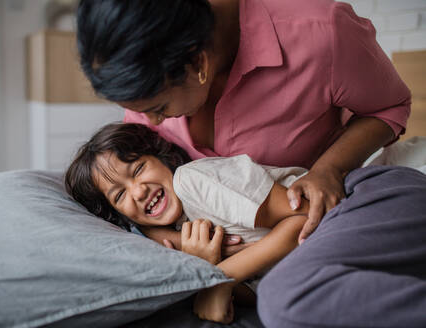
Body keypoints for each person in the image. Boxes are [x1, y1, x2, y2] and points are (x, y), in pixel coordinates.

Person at [76, 0, 411, 246]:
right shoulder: (147, 76)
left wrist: (331, 167)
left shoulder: (321, 34)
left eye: (159, 108)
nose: (148, 122)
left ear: (197, 63)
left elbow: (389, 108)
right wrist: (168, 239)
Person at [65, 123, 311, 324]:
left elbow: (305, 216)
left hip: (334, 214)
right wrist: (203, 267)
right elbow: (256, 290)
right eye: (119, 195)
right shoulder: (184, 239)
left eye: (138, 168)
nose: (138, 192)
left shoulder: (191, 181)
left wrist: (220, 279)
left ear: (161, 157)